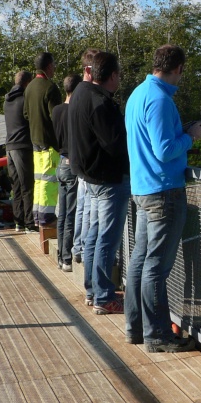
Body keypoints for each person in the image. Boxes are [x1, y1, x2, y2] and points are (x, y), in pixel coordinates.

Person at [124, 45, 201, 352]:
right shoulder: (160, 100)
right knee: (155, 266)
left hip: (144, 189)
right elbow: (165, 150)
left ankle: (136, 328)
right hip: (163, 191)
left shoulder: (138, 95)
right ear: (178, 68)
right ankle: (157, 336)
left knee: (141, 261)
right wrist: (190, 136)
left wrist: (178, 133)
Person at [68, 51, 129, 315]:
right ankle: (104, 296)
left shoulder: (80, 94)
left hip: (89, 177)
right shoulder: (101, 103)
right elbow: (116, 145)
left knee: (93, 234)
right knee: (107, 237)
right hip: (107, 178)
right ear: (113, 76)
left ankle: (94, 291)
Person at [23, 52, 62, 228]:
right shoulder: (50, 87)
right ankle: (47, 216)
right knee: (49, 181)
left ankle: (37, 215)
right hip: (49, 143)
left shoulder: (29, 87)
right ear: (48, 66)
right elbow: (57, 117)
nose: (54, 68)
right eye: (53, 65)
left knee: (38, 180)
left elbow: (25, 113)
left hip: (35, 141)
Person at [71, 49, 100, 265]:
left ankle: (78, 248)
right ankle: (82, 249)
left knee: (82, 208)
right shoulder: (88, 96)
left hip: (79, 164)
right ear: (89, 70)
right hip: (88, 168)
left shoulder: (75, 96)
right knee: (88, 210)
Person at [52, 74, 82, 272]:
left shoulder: (56, 111)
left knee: (62, 214)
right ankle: (66, 257)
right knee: (71, 214)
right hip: (73, 165)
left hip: (61, 163)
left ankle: (60, 256)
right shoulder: (76, 111)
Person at [4, 70, 35, 231]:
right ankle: (30, 223)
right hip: (22, 146)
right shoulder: (25, 100)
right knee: (27, 185)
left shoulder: (7, 101)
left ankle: (19, 222)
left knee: (15, 186)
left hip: (9, 146)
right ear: (27, 83)